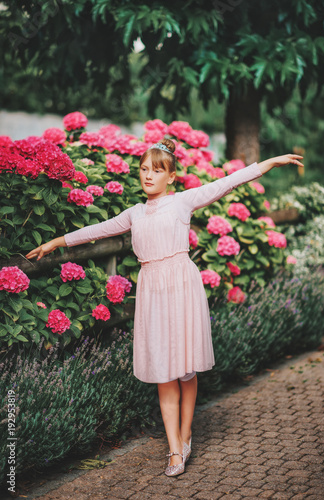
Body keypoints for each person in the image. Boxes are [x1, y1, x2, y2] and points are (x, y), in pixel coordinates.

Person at [26, 138, 303, 476]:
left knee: (187, 370)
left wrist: (270, 163)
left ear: (171, 177)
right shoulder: (135, 213)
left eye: (156, 171)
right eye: (144, 169)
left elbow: (227, 182)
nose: (148, 176)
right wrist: (56, 242)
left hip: (182, 285)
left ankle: (186, 433)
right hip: (153, 290)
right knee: (164, 371)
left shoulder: (182, 202)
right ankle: (174, 450)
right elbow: (96, 229)